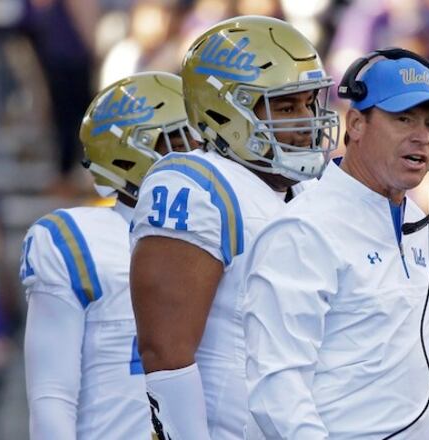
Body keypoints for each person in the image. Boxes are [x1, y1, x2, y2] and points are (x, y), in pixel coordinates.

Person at [128, 16, 339, 440]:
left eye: (308, 103)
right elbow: (165, 351)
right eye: (284, 106)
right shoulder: (195, 185)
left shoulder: (310, 192)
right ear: (225, 111)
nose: (305, 119)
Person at [241, 48, 429, 438]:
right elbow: (277, 385)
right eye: (402, 118)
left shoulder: (413, 217)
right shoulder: (305, 228)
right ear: (356, 124)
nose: (421, 136)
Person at [20, 71, 195, 439]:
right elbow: (52, 396)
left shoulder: (229, 229)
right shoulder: (79, 242)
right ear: (131, 153)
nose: (198, 154)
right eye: (180, 140)